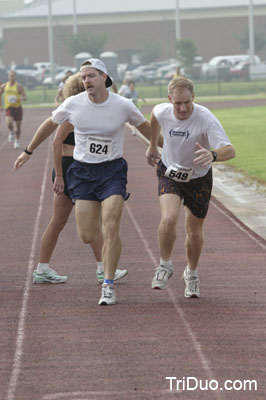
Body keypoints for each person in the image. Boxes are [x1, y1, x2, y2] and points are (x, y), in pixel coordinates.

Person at [51, 58, 151, 305]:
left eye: (91, 76)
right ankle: (107, 261)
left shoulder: (123, 105)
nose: (86, 80)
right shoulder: (73, 104)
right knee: (87, 235)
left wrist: (167, 150)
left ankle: (108, 283)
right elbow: (50, 127)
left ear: (104, 77)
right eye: (83, 77)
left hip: (112, 171)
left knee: (111, 225)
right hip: (84, 172)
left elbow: (146, 128)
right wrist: (28, 150)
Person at [14, 72, 128, 285]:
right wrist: (58, 175)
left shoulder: (78, 110)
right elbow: (56, 142)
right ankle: (100, 268)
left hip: (72, 168)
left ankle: (46, 268)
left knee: (61, 221)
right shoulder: (75, 113)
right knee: (77, 219)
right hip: (71, 168)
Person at [146, 77, 235, 298]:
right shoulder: (163, 110)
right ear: (170, 100)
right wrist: (152, 145)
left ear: (193, 98)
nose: (183, 108)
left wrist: (212, 154)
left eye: (187, 102)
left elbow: (230, 150)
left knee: (194, 232)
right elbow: (154, 117)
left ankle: (191, 273)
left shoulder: (205, 118)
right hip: (170, 172)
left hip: (198, 178)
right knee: (168, 218)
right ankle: (165, 265)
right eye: (177, 103)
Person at [0, 70, 27, 148]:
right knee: (9, 123)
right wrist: (1, 105)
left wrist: (22, 98)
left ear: (15, 77)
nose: (12, 77)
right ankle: (11, 131)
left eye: (13, 76)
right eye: (11, 76)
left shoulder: (19, 86)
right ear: (8, 77)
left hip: (18, 108)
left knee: (18, 127)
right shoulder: (4, 86)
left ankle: (17, 141)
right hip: (9, 108)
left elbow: (25, 96)